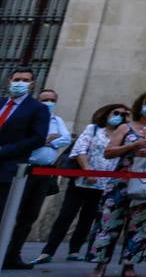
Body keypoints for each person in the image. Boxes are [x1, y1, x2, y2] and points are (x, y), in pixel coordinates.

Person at [87, 89, 146, 277]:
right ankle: (100, 264)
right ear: (140, 105)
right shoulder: (125, 128)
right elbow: (108, 152)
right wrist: (131, 147)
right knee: (108, 221)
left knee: (140, 224)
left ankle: (130, 263)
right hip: (120, 180)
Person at [37, 103, 122, 264]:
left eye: (123, 114)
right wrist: (87, 169)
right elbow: (79, 149)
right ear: (107, 114)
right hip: (82, 180)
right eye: (116, 113)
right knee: (66, 215)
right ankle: (48, 251)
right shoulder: (94, 129)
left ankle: (75, 250)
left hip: (104, 184)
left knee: (88, 218)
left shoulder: (122, 135)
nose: (119, 117)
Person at [9, 87, 71, 267]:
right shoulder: (29, 118)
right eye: (45, 99)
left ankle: (13, 254)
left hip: (44, 173)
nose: (48, 103)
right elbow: (25, 141)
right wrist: (45, 140)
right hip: (24, 170)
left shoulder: (56, 120)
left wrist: (44, 140)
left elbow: (65, 139)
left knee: (29, 215)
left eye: (52, 100)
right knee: (10, 211)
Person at [0, 71, 53, 270]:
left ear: (32, 84)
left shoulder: (37, 109)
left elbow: (37, 138)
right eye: (16, 80)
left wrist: (4, 151)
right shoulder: (1, 103)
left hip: (8, 168)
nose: (20, 83)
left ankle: (8, 255)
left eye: (25, 80)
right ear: (9, 81)